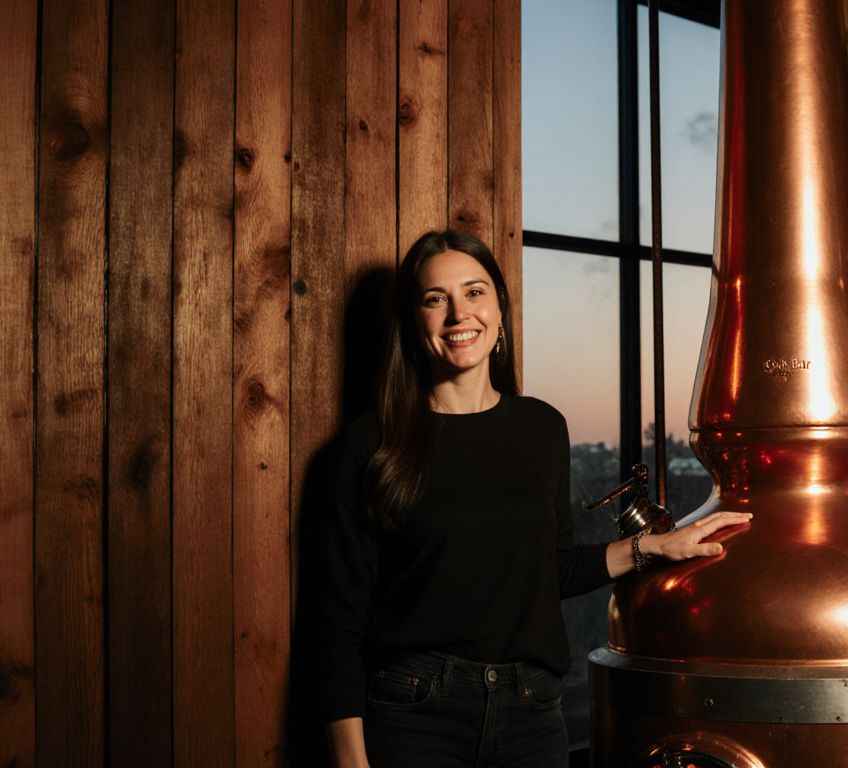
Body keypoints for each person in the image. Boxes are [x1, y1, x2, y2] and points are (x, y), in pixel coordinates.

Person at [318, 229, 751, 768]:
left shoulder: (542, 427)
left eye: (474, 293)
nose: (459, 314)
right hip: (414, 713)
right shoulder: (371, 444)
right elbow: (337, 622)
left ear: (499, 306)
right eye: (436, 299)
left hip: (531, 714)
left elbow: (551, 569)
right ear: (413, 320)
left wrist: (653, 548)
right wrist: (350, 762)